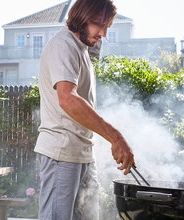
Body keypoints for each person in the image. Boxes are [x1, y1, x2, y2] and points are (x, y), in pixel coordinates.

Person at [34, 0, 135, 219]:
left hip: (83, 153)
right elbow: (68, 99)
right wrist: (116, 138)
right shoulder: (63, 45)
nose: (103, 33)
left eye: (107, 26)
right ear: (80, 17)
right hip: (62, 151)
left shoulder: (81, 50)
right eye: (99, 24)